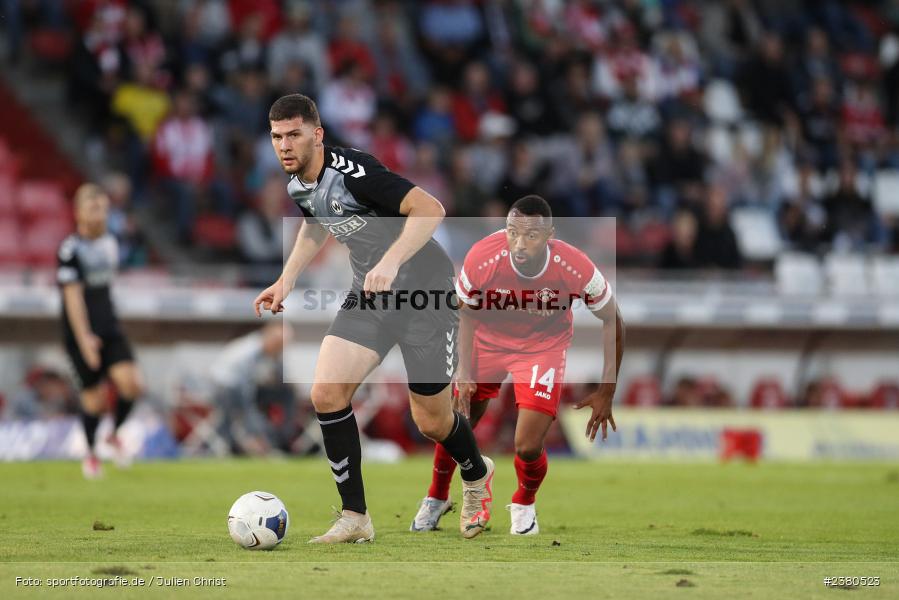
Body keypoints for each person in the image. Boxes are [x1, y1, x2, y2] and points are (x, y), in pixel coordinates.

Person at [254, 94, 494, 543]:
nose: (284, 146)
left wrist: (391, 259)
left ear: (317, 134)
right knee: (326, 392)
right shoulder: (297, 182)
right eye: (277, 137)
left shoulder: (355, 174)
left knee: (432, 423)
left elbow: (432, 209)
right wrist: (286, 280)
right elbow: (314, 221)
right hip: (371, 295)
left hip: (425, 292)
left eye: (294, 135)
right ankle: (355, 516)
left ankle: (477, 475)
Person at [410, 195, 625, 535]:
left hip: (543, 348)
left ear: (549, 235)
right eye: (512, 232)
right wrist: (463, 372)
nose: (519, 243)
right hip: (487, 340)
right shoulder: (483, 256)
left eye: (531, 236)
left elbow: (613, 318)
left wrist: (607, 389)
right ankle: (437, 496)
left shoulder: (575, 267)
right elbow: (465, 311)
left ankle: (524, 502)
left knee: (526, 445)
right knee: (458, 422)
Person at [57, 183, 144, 479]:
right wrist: (84, 340)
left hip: (109, 327)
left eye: (104, 209)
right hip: (81, 333)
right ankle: (92, 453)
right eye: (94, 208)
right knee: (94, 400)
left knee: (131, 384)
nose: (101, 214)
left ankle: (115, 434)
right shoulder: (70, 249)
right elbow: (73, 297)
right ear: (78, 212)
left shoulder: (110, 242)